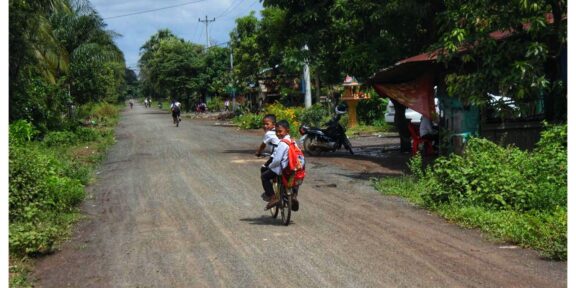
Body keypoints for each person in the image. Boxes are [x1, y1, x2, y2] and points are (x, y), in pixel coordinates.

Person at [260, 120, 299, 209]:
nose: (278, 134)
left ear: (287, 131)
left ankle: (273, 197)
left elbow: (277, 160)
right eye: (276, 131)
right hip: (294, 168)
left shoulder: (282, 143)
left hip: (283, 168)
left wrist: (270, 166)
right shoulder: (293, 141)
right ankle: (294, 196)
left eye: (280, 131)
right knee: (295, 181)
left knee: (264, 177)